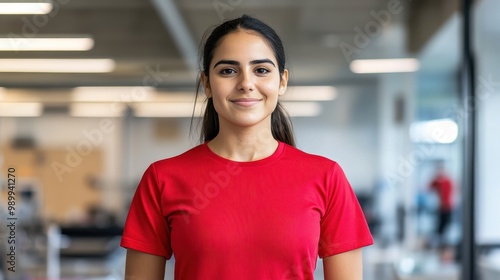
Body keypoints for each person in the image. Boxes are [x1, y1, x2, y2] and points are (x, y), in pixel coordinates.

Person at [120, 14, 373, 280]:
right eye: (228, 70)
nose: (246, 83)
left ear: (282, 81)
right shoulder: (162, 179)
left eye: (261, 70)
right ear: (206, 83)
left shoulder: (326, 177)